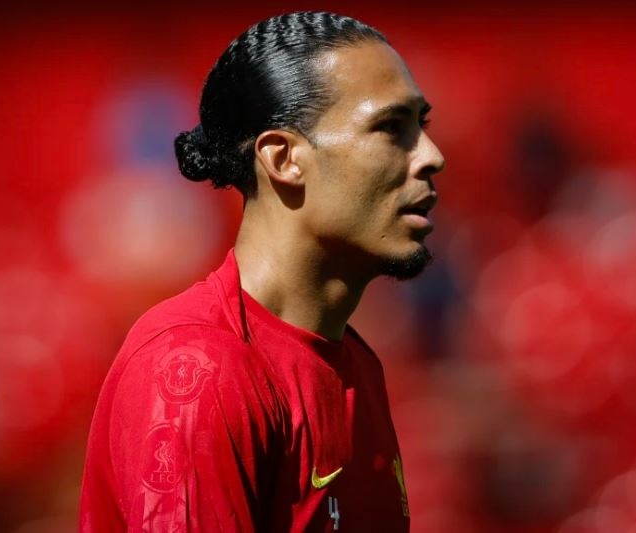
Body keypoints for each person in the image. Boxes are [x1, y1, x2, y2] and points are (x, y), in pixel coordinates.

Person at [80, 11, 445, 532]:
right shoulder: (195, 370)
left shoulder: (357, 365)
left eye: (421, 127)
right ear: (283, 158)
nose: (432, 156)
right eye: (391, 128)